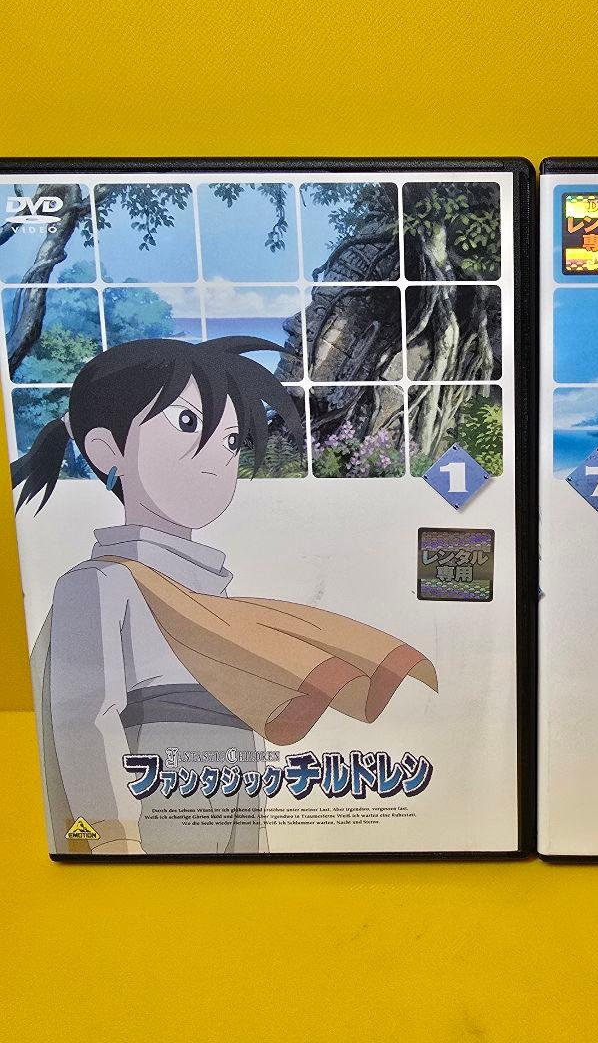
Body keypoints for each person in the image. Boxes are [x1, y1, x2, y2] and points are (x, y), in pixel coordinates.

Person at [14, 337, 437, 856]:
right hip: (152, 819)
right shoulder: (100, 583)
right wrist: (110, 842)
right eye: (186, 423)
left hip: (230, 800)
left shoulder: (216, 593)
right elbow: (82, 720)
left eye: (232, 440)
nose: (216, 459)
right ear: (107, 450)